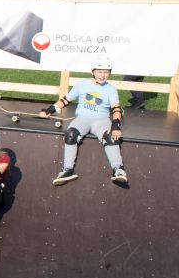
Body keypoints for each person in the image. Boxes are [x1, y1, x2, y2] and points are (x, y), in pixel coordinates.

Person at [43, 55, 128, 185]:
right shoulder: (82, 84)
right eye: (99, 72)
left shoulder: (111, 89)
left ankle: (118, 169)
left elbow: (116, 109)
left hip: (102, 120)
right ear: (92, 72)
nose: (102, 75)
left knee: (111, 137)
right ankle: (68, 170)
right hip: (82, 119)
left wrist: (116, 126)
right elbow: (66, 100)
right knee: (71, 134)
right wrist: (50, 109)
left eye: (106, 72)